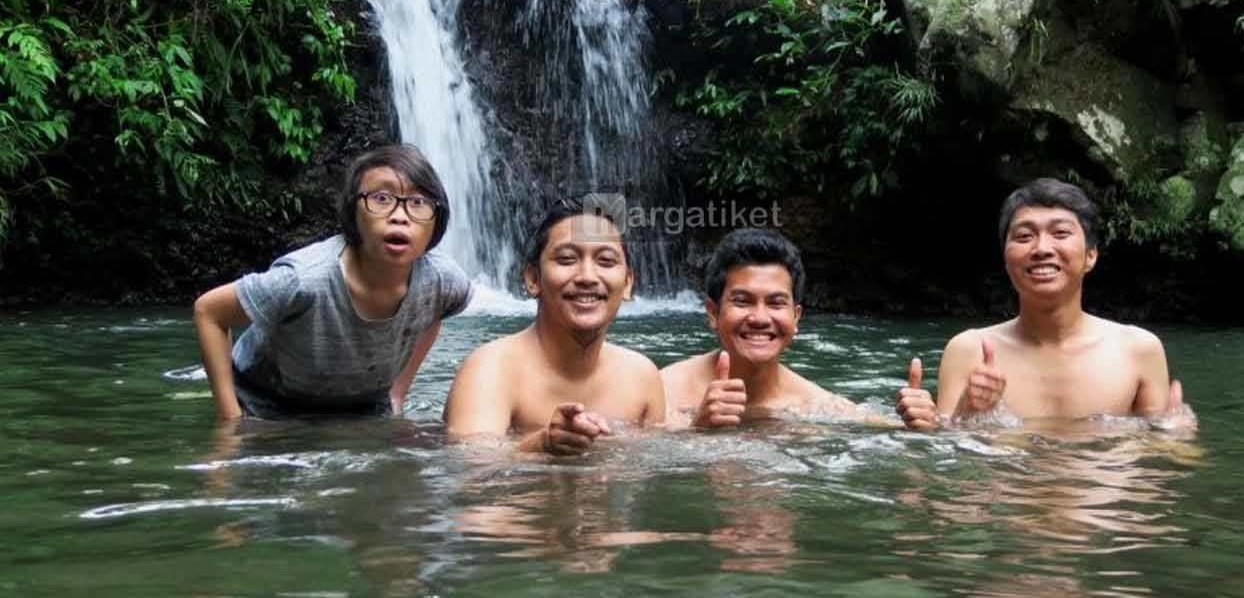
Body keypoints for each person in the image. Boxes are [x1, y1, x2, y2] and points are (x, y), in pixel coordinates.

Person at [193, 144, 472, 421]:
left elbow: (436, 312)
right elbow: (209, 312)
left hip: (363, 408)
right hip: (266, 403)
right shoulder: (304, 279)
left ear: (438, 220)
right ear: (353, 213)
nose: (400, 216)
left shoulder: (443, 281)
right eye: (382, 198)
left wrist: (398, 394)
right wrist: (230, 420)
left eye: (418, 202)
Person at [896, 177, 1190, 430]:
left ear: (1091, 255)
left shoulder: (1138, 350)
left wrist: (1176, 437)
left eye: (1060, 233)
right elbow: (950, 463)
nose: (1041, 249)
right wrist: (962, 414)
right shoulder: (969, 350)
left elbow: (1159, 467)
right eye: (1024, 236)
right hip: (1008, 493)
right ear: (1006, 259)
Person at [443, 198, 666, 454]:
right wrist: (541, 445)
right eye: (567, 259)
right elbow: (471, 472)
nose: (587, 277)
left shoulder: (641, 376)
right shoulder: (491, 369)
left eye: (605, 261)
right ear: (532, 278)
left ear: (627, 283)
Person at [662, 228, 866, 427]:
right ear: (713, 313)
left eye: (776, 303)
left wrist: (900, 421)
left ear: (796, 317)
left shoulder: (819, 407)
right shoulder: (662, 393)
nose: (760, 318)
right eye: (742, 301)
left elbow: (884, 428)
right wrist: (697, 429)